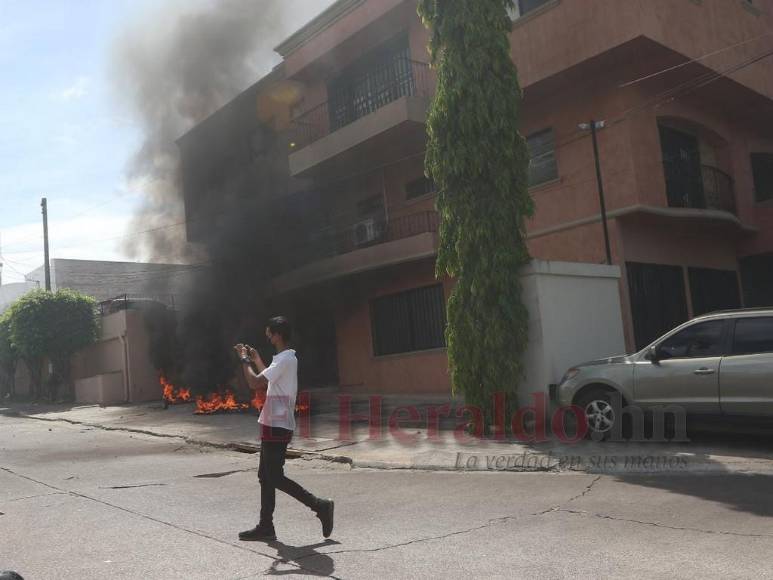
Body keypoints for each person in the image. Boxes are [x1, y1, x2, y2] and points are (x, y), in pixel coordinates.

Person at [235, 316, 334, 541]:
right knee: (265, 476)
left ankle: (320, 505)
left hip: (277, 424)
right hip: (272, 422)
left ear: (278, 334)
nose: (268, 337)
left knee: (275, 477)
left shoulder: (286, 359)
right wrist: (257, 360)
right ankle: (266, 526)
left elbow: (255, 383)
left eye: (269, 333)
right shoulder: (284, 359)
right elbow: (270, 380)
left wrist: (244, 360)